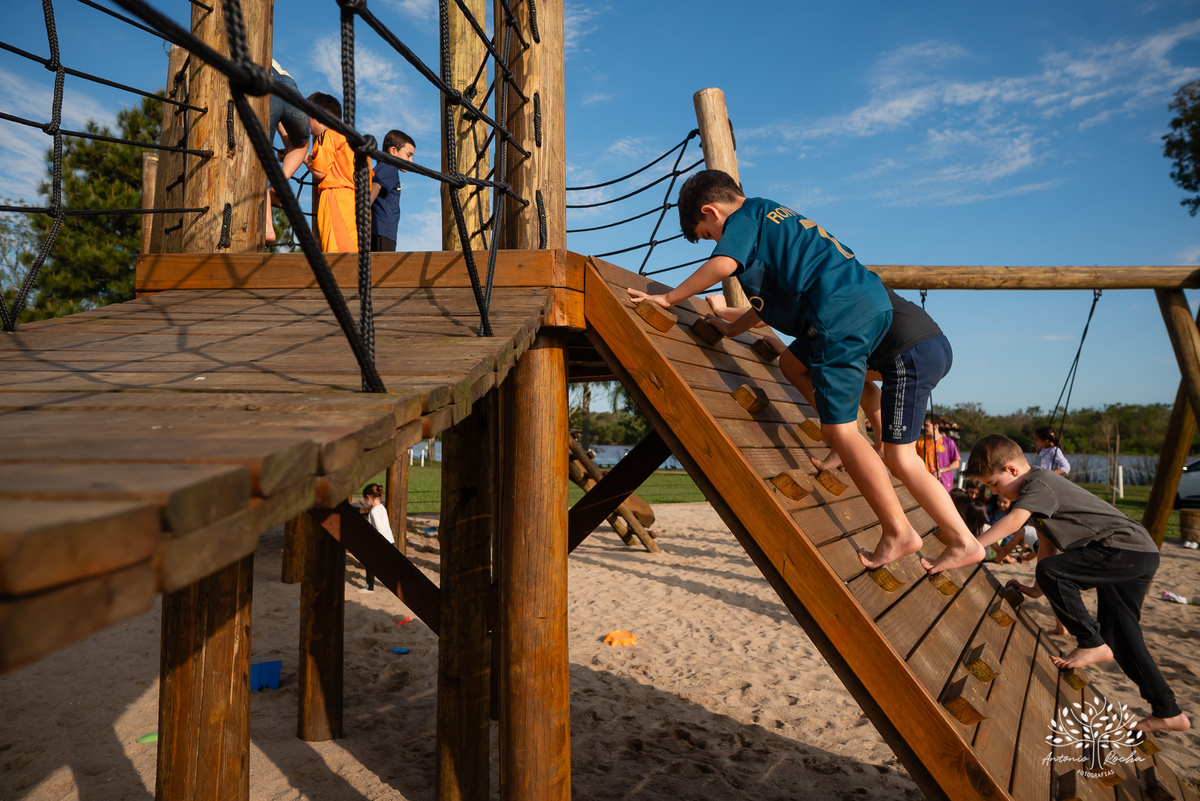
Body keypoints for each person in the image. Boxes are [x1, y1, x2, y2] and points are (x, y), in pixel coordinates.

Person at [628, 169, 984, 575]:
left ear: (711, 211)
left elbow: (724, 264)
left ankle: (898, 530)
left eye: (707, 233)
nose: (715, 241)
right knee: (793, 363)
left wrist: (670, 298)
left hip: (841, 316)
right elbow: (764, 308)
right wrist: (730, 326)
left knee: (842, 431)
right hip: (865, 306)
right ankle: (847, 437)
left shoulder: (743, 221)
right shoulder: (775, 219)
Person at [965, 434, 1190, 733]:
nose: (993, 492)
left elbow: (1014, 523)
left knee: (1056, 575)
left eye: (993, 484)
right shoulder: (1034, 495)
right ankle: (1168, 711)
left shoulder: (1039, 484)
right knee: (1119, 633)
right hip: (1137, 552)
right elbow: (1047, 548)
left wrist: (972, 547)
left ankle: (1091, 642)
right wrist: (1035, 589)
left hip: (1122, 548)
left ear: (1011, 470)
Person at [305, 92, 371, 253]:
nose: (308, 127)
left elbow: (320, 171)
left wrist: (303, 156)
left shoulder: (328, 134)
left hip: (336, 197)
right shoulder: (354, 139)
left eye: (309, 120)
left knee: (336, 252)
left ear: (318, 117)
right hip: (359, 201)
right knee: (355, 251)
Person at [264, 61, 312, 245]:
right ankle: (280, 182)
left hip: (262, 83)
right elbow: (280, 112)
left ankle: (268, 227)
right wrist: (289, 144)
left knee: (259, 166)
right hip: (289, 86)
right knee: (302, 142)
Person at [370, 130, 415, 252]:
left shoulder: (379, 167)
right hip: (383, 231)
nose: (411, 161)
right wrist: (361, 209)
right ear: (393, 151)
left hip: (377, 230)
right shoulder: (390, 167)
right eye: (408, 155)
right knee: (382, 269)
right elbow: (376, 186)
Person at [358, 483, 394, 592]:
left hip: (381, 542)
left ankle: (369, 588)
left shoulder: (374, 511)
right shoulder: (382, 508)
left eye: (365, 499)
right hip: (389, 540)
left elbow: (380, 530)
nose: (365, 502)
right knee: (386, 566)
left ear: (368, 497)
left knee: (370, 563)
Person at [916, 414, 960, 491]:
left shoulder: (949, 442)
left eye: (926, 425)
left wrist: (941, 471)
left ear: (936, 426)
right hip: (926, 484)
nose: (923, 428)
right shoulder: (919, 443)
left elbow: (956, 464)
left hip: (945, 485)